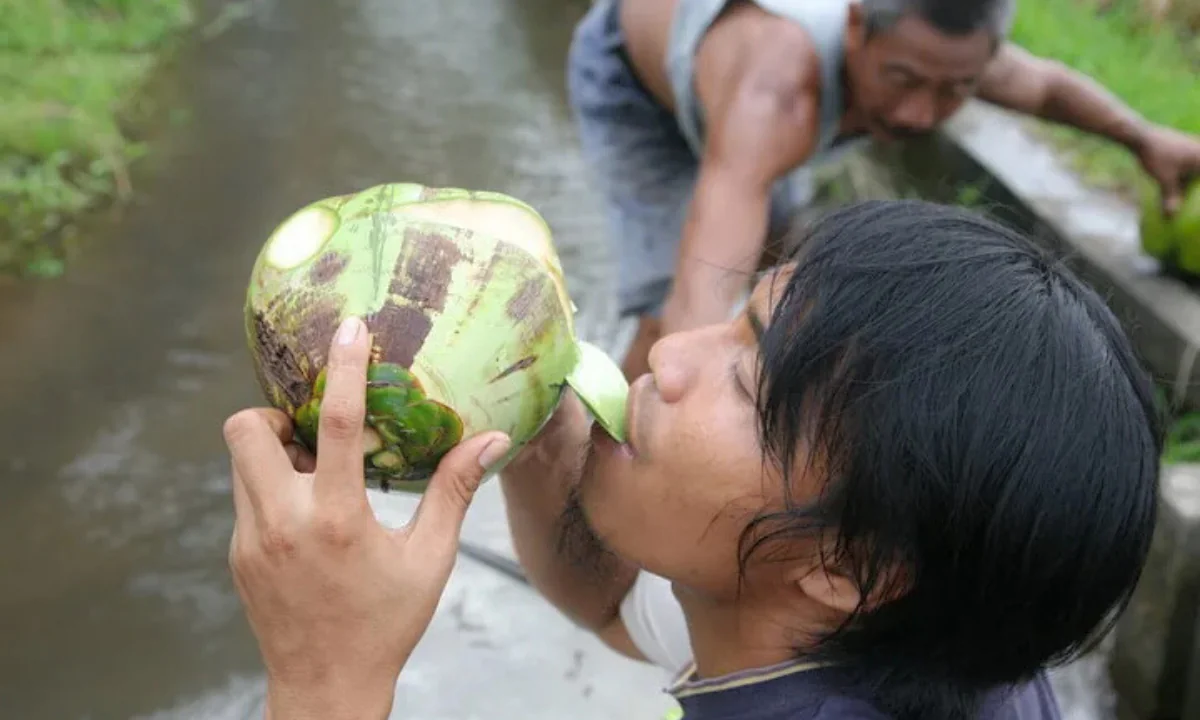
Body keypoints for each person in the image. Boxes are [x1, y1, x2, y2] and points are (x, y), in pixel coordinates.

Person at [222, 200, 1162, 720]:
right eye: (738, 321)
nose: (668, 357)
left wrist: (324, 679)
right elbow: (613, 606)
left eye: (747, 386)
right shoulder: (912, 632)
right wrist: (536, 434)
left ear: (853, 567)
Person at [566, 0, 1200, 382]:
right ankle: (590, 479)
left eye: (954, 90)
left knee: (776, 281)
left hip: (753, 123)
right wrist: (687, 393)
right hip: (640, 90)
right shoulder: (778, 98)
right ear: (854, 29)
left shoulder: (941, 53)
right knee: (668, 318)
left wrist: (1144, 140)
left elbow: (1045, 88)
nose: (920, 114)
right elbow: (698, 292)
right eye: (902, 79)